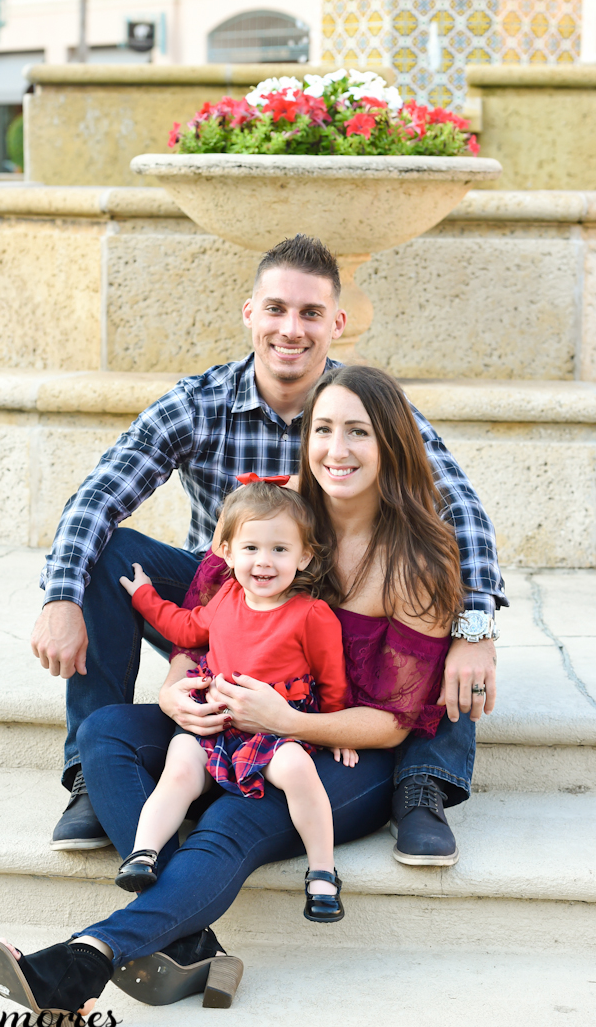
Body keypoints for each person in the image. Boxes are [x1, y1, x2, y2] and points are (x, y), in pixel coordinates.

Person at [0, 364, 468, 1027]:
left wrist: (289, 721)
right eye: (322, 429)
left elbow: (390, 723)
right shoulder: (278, 513)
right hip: (235, 724)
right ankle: (185, 945)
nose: (336, 448)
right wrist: (178, 684)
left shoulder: (417, 559)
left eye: (357, 432)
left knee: (230, 826)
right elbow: (208, 613)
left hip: (339, 751)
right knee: (105, 732)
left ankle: (84, 960)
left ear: (389, 442)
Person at [32, 235, 504, 865]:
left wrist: (476, 629)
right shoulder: (198, 404)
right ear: (250, 313)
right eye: (276, 309)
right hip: (224, 593)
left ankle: (423, 781)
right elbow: (97, 497)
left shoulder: (361, 406)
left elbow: (461, 509)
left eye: (311, 314)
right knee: (108, 554)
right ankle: (92, 775)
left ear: (336, 324)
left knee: (437, 582)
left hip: (331, 597)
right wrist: (61, 597)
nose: (292, 329)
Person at [115, 479, 351, 923]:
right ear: (225, 550)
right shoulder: (225, 598)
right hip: (218, 721)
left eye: (280, 550)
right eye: (251, 548)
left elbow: (332, 677)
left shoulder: (311, 614)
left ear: (304, 557)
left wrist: (337, 728)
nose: (264, 561)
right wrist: (144, 595)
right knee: (180, 763)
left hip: (275, 727)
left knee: (298, 769)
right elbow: (184, 629)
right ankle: (143, 853)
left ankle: (322, 872)